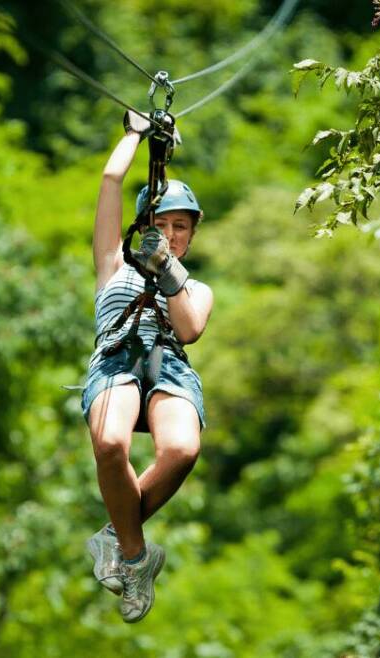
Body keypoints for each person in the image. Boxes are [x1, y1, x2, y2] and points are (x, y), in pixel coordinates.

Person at [81, 111, 214, 623]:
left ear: (191, 236)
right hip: (117, 358)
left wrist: (167, 269)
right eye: (160, 225)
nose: (171, 233)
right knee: (111, 444)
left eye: (180, 227)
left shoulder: (196, 287)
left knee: (182, 448)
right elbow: (112, 180)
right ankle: (137, 557)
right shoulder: (112, 263)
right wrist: (135, 135)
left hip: (168, 366)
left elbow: (189, 330)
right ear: (143, 226)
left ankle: (118, 534)